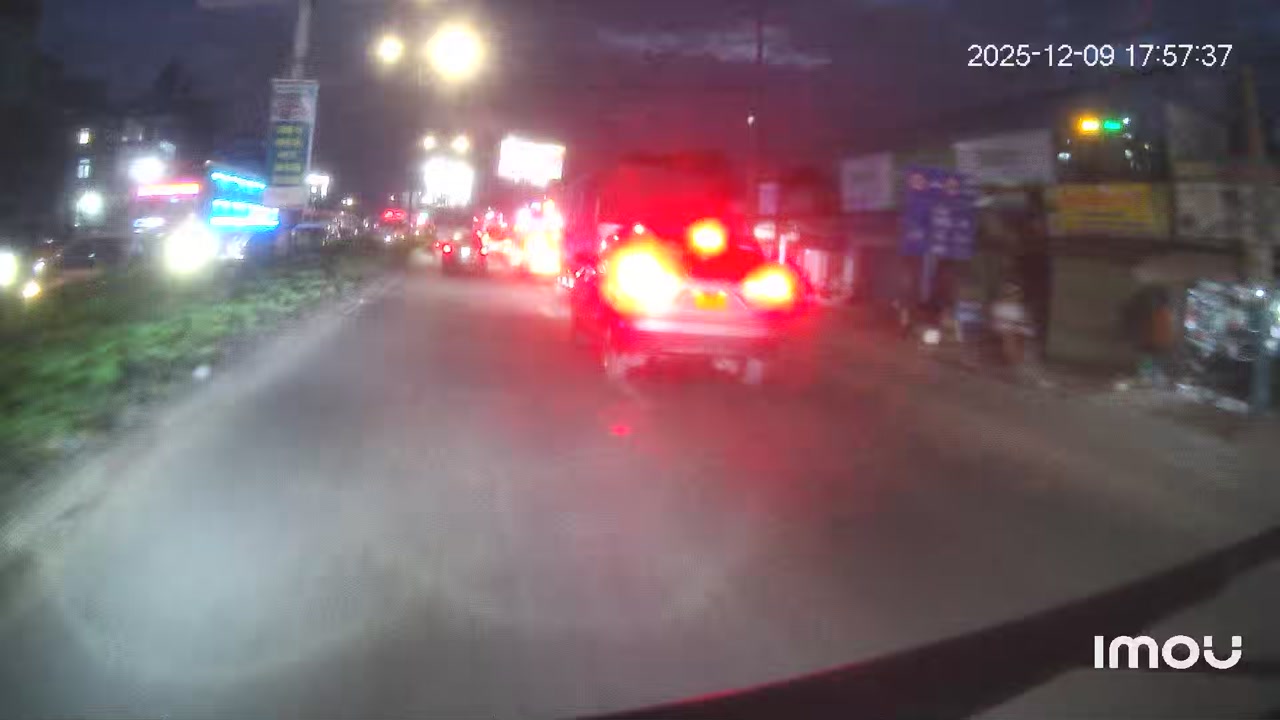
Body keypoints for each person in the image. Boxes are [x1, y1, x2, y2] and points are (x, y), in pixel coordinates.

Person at [991, 283, 1032, 368]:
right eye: (1014, 294)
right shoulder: (999, 305)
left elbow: (1025, 318)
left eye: (1017, 294)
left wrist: (1023, 322)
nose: (1016, 297)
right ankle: (1011, 357)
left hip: (1016, 325)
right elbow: (997, 318)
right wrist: (1012, 322)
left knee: (1024, 333)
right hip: (1002, 325)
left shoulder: (1019, 306)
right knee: (1010, 334)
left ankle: (1018, 356)